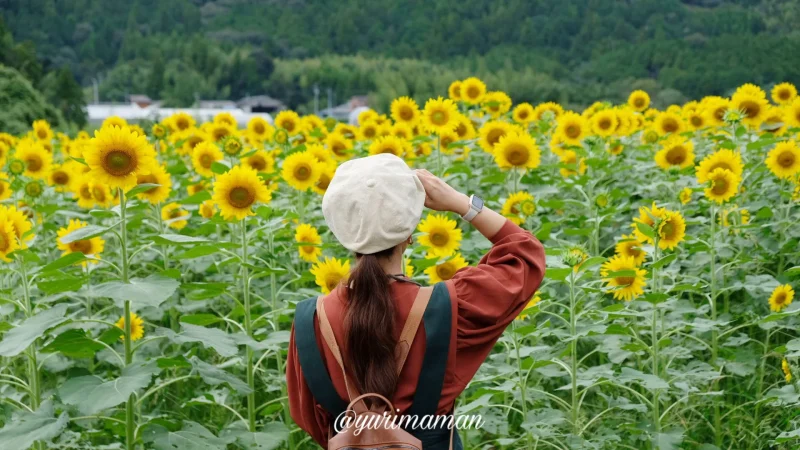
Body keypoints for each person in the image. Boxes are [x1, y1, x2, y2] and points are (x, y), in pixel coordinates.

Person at [287, 153, 545, 449]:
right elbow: (525, 253)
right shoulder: (449, 308)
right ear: (409, 234)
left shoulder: (311, 321)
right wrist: (462, 203)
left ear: (343, 235)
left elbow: (309, 418)